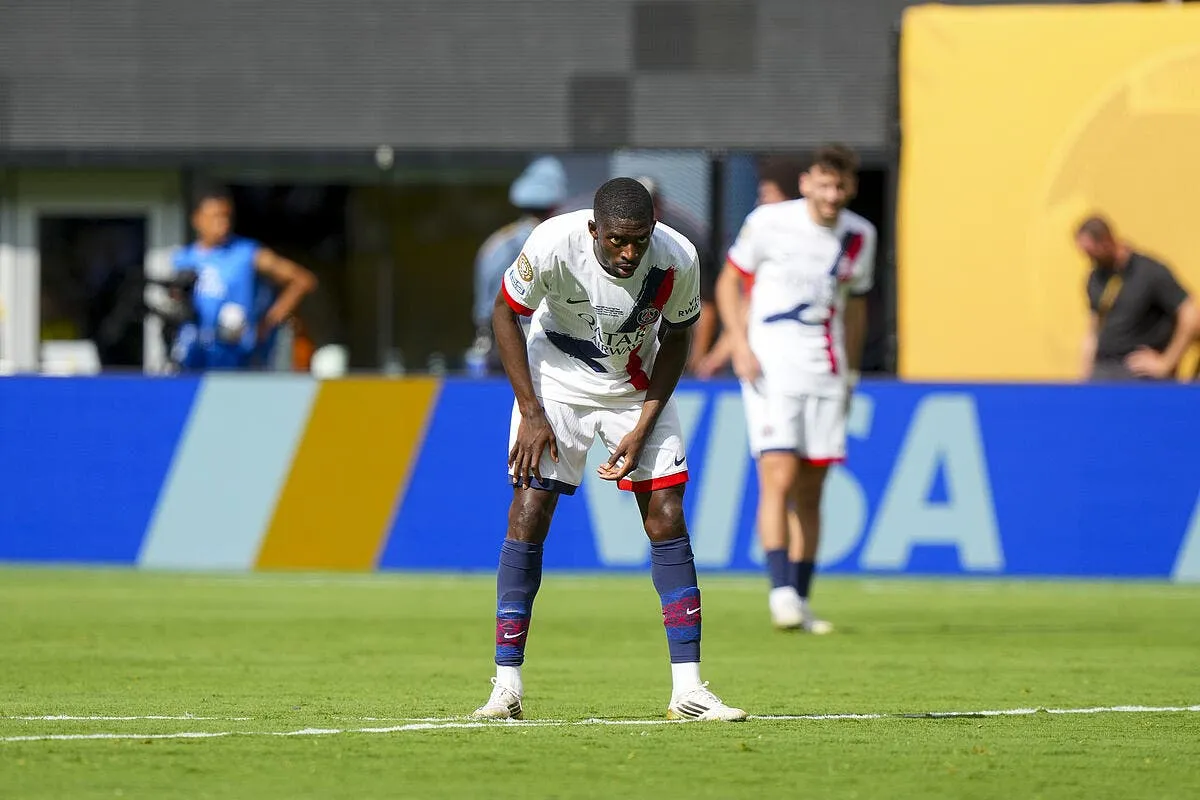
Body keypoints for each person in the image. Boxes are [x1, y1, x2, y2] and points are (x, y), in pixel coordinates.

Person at [471, 178, 747, 722]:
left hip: (636, 389)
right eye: (617, 240)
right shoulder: (552, 243)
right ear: (594, 229)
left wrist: (643, 426)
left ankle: (688, 691)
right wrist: (530, 412)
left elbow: (678, 338)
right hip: (557, 384)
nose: (628, 253)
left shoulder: (677, 257)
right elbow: (504, 313)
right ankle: (506, 687)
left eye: (638, 241)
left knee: (667, 518)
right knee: (528, 513)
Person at [715, 144, 876, 633]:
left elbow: (855, 307)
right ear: (806, 183)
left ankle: (801, 598)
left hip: (827, 370)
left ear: (849, 189)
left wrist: (851, 372)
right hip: (772, 366)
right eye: (823, 184)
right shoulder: (768, 222)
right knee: (777, 475)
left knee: (813, 489)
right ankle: (780, 592)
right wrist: (739, 345)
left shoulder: (859, 236)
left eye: (840, 186)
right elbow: (728, 282)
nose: (832, 195)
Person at [171, 188, 317, 371]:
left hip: (239, 357)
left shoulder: (246, 253)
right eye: (215, 216)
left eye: (226, 216)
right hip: (195, 357)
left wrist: (267, 323)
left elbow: (302, 280)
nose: (222, 223)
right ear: (197, 219)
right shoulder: (183, 259)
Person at [691, 156, 805, 379]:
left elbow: (747, 307)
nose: (758, 204)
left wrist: (716, 358)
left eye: (765, 196)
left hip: (771, 358)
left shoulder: (778, 244)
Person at [467, 156, 568, 375]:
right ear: (554, 204)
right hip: (527, 339)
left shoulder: (498, 241)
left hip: (497, 337)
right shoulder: (545, 240)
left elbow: (484, 309)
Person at [1075, 216, 1198, 382]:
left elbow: (1191, 314)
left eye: (1092, 253)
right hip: (1103, 371)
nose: (1090, 260)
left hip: (1137, 373)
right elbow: (1093, 330)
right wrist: (1083, 379)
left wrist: (1166, 363)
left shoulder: (1150, 272)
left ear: (1106, 240)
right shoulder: (1096, 278)